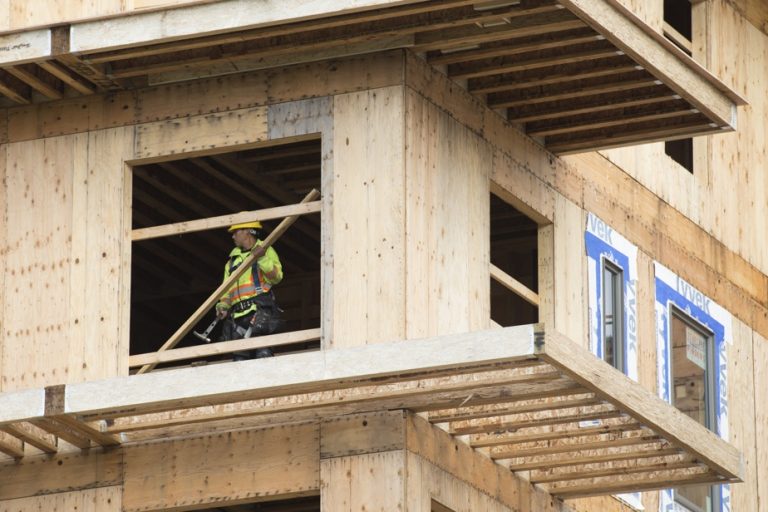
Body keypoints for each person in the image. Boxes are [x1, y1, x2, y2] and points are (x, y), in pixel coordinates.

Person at [216, 220, 283, 360]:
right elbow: (226, 291)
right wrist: (223, 306)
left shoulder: (266, 250)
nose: (233, 236)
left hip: (260, 310)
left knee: (263, 354)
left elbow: (276, 277)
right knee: (239, 360)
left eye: (235, 232)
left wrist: (262, 258)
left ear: (247, 231)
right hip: (238, 316)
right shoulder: (231, 262)